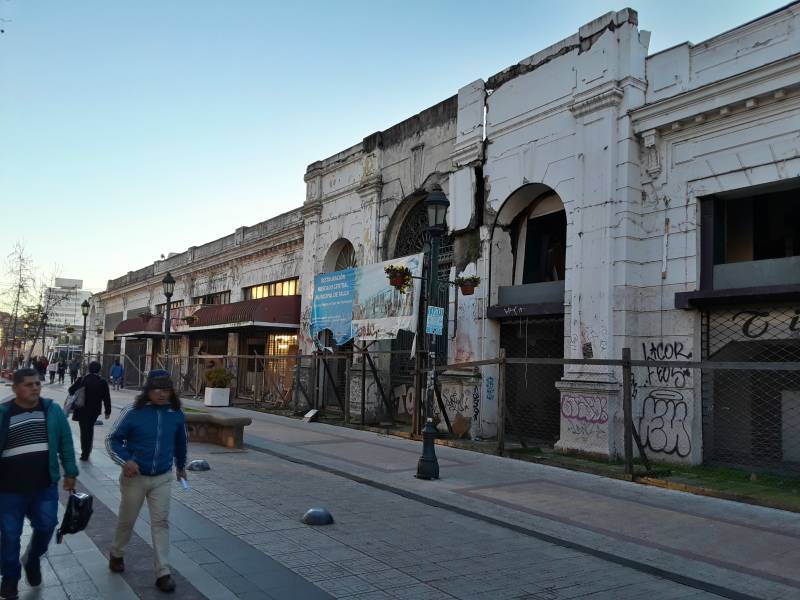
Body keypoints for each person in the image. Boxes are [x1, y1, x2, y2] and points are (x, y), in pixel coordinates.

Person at [106, 370, 187, 594]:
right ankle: (117, 552)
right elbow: (112, 440)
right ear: (148, 391)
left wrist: (181, 466)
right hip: (135, 477)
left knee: (161, 523)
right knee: (127, 519)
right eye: (157, 389)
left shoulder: (176, 413)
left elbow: (181, 441)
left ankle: (163, 572)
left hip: (162, 477)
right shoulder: (133, 412)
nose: (162, 394)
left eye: (166, 389)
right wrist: (126, 461)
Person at [0, 368, 78, 600]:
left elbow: (65, 441)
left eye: (37, 384)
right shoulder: (4, 413)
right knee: (10, 535)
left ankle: (32, 560)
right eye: (28, 384)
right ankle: (10, 578)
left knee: (46, 527)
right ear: (15, 388)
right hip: (8, 489)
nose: (35, 388)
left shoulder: (51, 410)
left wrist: (70, 472)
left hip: (43, 486)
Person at [68, 362, 111, 461]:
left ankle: (85, 453)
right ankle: (87, 451)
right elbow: (106, 398)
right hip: (94, 411)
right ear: (99, 370)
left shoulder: (82, 379)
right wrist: (107, 411)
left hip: (81, 409)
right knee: (89, 429)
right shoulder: (102, 382)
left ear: (89, 369)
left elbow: (71, 390)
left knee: (84, 431)